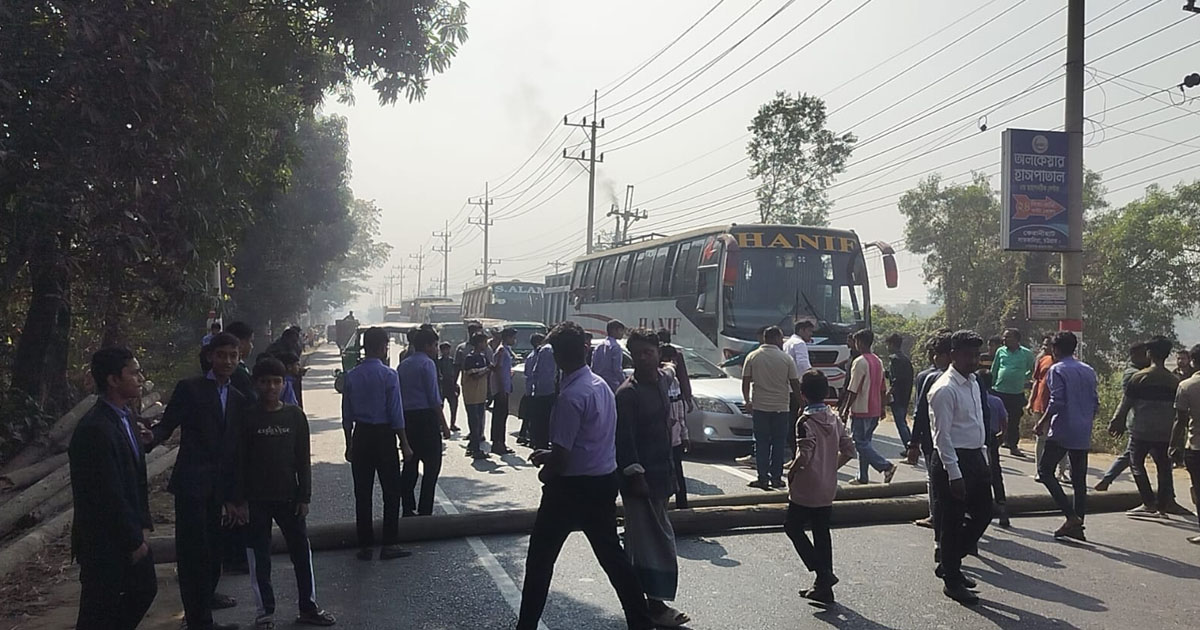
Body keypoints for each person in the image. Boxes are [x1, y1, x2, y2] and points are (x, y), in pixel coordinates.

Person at [516, 322, 655, 630]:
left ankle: (525, 625)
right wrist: (553, 457)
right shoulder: (600, 386)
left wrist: (547, 472)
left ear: (557, 358)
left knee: (540, 561)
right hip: (602, 480)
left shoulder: (570, 396)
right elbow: (591, 439)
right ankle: (641, 621)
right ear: (585, 350)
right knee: (613, 559)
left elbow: (564, 457)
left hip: (570, 488)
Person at [149, 332, 246, 630]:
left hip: (221, 490)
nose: (227, 361)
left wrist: (235, 497)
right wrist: (146, 440)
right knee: (193, 556)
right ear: (209, 356)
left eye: (233, 355)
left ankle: (203, 612)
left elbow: (237, 451)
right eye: (222, 355)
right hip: (191, 486)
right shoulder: (190, 389)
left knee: (216, 553)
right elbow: (166, 426)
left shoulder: (240, 398)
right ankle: (198, 621)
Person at [233, 358, 336, 629]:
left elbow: (303, 458)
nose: (271, 387)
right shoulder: (247, 417)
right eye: (265, 381)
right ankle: (264, 612)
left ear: (284, 384)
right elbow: (238, 461)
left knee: (301, 553)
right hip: (255, 501)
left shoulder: (294, 416)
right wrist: (239, 500)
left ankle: (308, 607)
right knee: (260, 557)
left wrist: (305, 496)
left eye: (277, 381)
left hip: (290, 499)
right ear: (256, 384)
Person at [69, 347, 157, 630]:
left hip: (130, 529)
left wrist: (143, 525)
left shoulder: (126, 417)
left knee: (143, 590)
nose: (140, 378)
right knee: (97, 610)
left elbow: (135, 479)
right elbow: (107, 492)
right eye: (133, 372)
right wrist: (133, 539)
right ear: (113, 380)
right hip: (105, 539)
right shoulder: (95, 429)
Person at [615, 329, 690, 628]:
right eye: (638, 353)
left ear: (658, 353)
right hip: (640, 481)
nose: (643, 358)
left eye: (649, 352)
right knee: (653, 543)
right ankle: (655, 606)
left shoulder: (662, 379)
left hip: (663, 474)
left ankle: (644, 604)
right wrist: (636, 475)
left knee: (646, 542)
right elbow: (624, 441)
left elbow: (674, 368)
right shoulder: (628, 393)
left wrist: (677, 358)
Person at [927, 330, 991, 605]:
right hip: (952, 460)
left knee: (984, 513)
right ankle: (952, 580)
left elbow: (976, 423)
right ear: (953, 355)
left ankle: (950, 562)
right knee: (952, 521)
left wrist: (984, 459)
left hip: (976, 457)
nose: (973, 361)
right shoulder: (944, 388)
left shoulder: (974, 382)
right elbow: (942, 437)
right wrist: (955, 474)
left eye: (977, 355)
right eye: (968, 355)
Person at [340, 327, 413, 560]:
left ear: (364, 347)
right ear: (383, 347)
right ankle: (389, 543)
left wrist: (349, 443)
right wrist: (404, 443)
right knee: (391, 491)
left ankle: (365, 546)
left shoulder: (351, 376)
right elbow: (396, 413)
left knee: (363, 492)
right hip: (384, 437)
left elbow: (346, 415)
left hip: (361, 435)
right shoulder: (389, 375)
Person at [785, 369, 856, 606]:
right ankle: (823, 587)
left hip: (806, 487)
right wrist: (830, 467)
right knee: (821, 532)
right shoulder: (834, 418)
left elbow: (804, 455)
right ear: (826, 392)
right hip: (827, 486)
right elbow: (849, 450)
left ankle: (822, 572)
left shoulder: (805, 421)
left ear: (803, 394)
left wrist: (791, 472)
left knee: (792, 527)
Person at [1111, 335, 1192, 517]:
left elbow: (1126, 402)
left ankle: (1148, 502)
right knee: (1164, 467)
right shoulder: (1174, 381)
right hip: (1165, 432)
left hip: (1141, 430)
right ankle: (1163, 505)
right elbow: (1181, 411)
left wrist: (1118, 421)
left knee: (1136, 463)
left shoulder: (1139, 377)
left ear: (1149, 354)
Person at [1032, 332, 1099, 541]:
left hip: (1062, 428)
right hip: (1082, 428)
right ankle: (1078, 525)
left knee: (1045, 471)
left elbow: (1057, 401)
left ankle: (1070, 517)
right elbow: (1095, 402)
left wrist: (1042, 422)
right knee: (1079, 480)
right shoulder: (1088, 370)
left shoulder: (1057, 369)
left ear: (1056, 349)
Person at [398, 327, 453, 517]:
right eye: (435, 345)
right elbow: (433, 398)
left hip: (408, 419)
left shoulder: (403, 365)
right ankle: (425, 510)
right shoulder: (427, 364)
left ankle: (407, 506)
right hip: (426, 419)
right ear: (428, 346)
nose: (436, 349)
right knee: (431, 467)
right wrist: (444, 425)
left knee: (410, 465)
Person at [741, 326, 802, 490]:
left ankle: (762, 478)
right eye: (781, 338)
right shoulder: (786, 359)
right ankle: (776, 478)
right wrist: (801, 403)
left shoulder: (753, 356)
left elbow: (746, 381)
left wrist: (747, 401)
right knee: (778, 443)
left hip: (760, 406)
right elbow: (795, 383)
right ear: (776, 339)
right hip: (781, 407)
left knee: (761, 443)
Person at [908, 331, 952, 538]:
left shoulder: (927, 377)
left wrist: (913, 442)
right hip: (960, 442)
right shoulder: (971, 378)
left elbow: (920, 413)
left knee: (934, 479)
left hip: (932, 440)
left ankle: (936, 517)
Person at [841, 329, 897, 485]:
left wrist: (845, 409)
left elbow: (853, 389)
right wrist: (882, 408)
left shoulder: (859, 362)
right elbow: (882, 388)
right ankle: (862, 477)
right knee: (866, 444)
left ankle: (886, 466)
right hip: (874, 408)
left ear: (861, 343)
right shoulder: (878, 361)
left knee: (859, 443)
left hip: (860, 409)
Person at [1096, 342, 1149, 491]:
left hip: (1143, 421)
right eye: (1145, 354)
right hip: (1139, 420)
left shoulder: (1140, 371)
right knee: (1134, 456)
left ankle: (1107, 480)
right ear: (1135, 355)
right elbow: (1127, 400)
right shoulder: (1132, 374)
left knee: (1131, 454)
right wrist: (1118, 420)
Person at [1029, 334, 1068, 483]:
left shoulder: (1068, 364)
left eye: (1048, 345)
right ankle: (1040, 471)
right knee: (1041, 439)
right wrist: (1031, 401)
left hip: (1061, 408)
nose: (1044, 348)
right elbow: (1036, 382)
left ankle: (1062, 472)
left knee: (1061, 441)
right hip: (1041, 405)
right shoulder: (1043, 360)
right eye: (1044, 345)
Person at [976, 369, 1010, 528]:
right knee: (995, 472)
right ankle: (1002, 507)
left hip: (978, 438)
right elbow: (1004, 420)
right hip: (993, 438)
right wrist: (1003, 434)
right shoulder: (997, 401)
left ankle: (980, 508)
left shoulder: (975, 398)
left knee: (977, 473)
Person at [994, 328, 1035, 457]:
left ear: (1017, 339)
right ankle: (994, 445)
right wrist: (991, 385)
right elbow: (994, 369)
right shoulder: (1000, 351)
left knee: (1014, 420)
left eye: (1008, 337)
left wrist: (1024, 378)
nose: (1005, 340)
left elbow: (1032, 369)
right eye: (1004, 337)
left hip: (1016, 392)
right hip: (999, 390)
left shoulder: (1026, 354)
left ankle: (1013, 445)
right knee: (996, 419)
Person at [1174, 343, 1200, 544]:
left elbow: (1180, 420)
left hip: (1196, 446)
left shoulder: (1186, 386)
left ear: (1193, 361)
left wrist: (1174, 445)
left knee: (1197, 488)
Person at [660, 344, 690, 509]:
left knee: (677, 473)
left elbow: (679, 411)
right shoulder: (657, 379)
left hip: (674, 437)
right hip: (663, 438)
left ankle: (682, 507)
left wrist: (684, 435)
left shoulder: (674, 381)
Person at [525, 331, 559, 450]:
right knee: (543, 421)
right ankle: (540, 445)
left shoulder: (547, 350)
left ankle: (539, 442)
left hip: (543, 391)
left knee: (542, 421)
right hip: (546, 392)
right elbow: (545, 374)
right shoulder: (548, 350)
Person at [461, 333, 492, 459]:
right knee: (474, 423)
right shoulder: (470, 358)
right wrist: (487, 369)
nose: (486, 345)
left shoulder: (483, 357)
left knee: (479, 424)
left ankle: (473, 447)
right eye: (484, 342)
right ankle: (475, 449)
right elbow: (474, 375)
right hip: (472, 395)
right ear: (479, 343)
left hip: (481, 395)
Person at [489, 327, 517, 455]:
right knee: (499, 417)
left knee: (502, 416)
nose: (514, 340)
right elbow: (498, 370)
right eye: (512, 337)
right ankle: (498, 443)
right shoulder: (501, 351)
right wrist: (501, 389)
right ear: (507, 337)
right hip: (501, 389)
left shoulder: (506, 350)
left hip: (505, 387)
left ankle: (501, 442)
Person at [885, 333, 914, 452]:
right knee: (903, 422)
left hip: (897, 397)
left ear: (892, 344)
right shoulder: (905, 359)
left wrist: (888, 393)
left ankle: (909, 447)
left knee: (901, 423)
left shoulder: (895, 359)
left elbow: (896, 380)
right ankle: (912, 445)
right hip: (906, 395)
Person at [518, 333, 547, 446]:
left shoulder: (531, 356)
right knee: (534, 416)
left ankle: (523, 434)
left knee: (529, 415)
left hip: (530, 389)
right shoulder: (537, 356)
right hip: (534, 389)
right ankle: (532, 438)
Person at [657, 328, 693, 414]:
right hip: (675, 397)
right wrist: (688, 398)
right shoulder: (676, 354)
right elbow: (683, 377)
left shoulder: (655, 353)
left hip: (659, 396)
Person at [1172, 347, 1196, 467]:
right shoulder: (1173, 374)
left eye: (1183, 358)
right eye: (1178, 358)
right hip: (1180, 408)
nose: (1181, 361)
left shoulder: (1193, 374)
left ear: (1189, 360)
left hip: (1193, 410)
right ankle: (1178, 458)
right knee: (1179, 433)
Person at [592, 319, 627, 392]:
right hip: (612, 385)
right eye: (621, 330)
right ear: (614, 330)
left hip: (597, 384)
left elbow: (593, 367)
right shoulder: (616, 347)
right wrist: (624, 382)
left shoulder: (598, 346)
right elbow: (617, 370)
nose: (622, 333)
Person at [436, 342, 460, 433]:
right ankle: (441, 424)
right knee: (440, 406)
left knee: (454, 406)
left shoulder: (452, 361)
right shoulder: (439, 361)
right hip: (443, 385)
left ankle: (452, 424)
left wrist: (455, 384)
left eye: (448, 349)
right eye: (444, 349)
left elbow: (455, 372)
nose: (446, 351)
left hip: (451, 385)